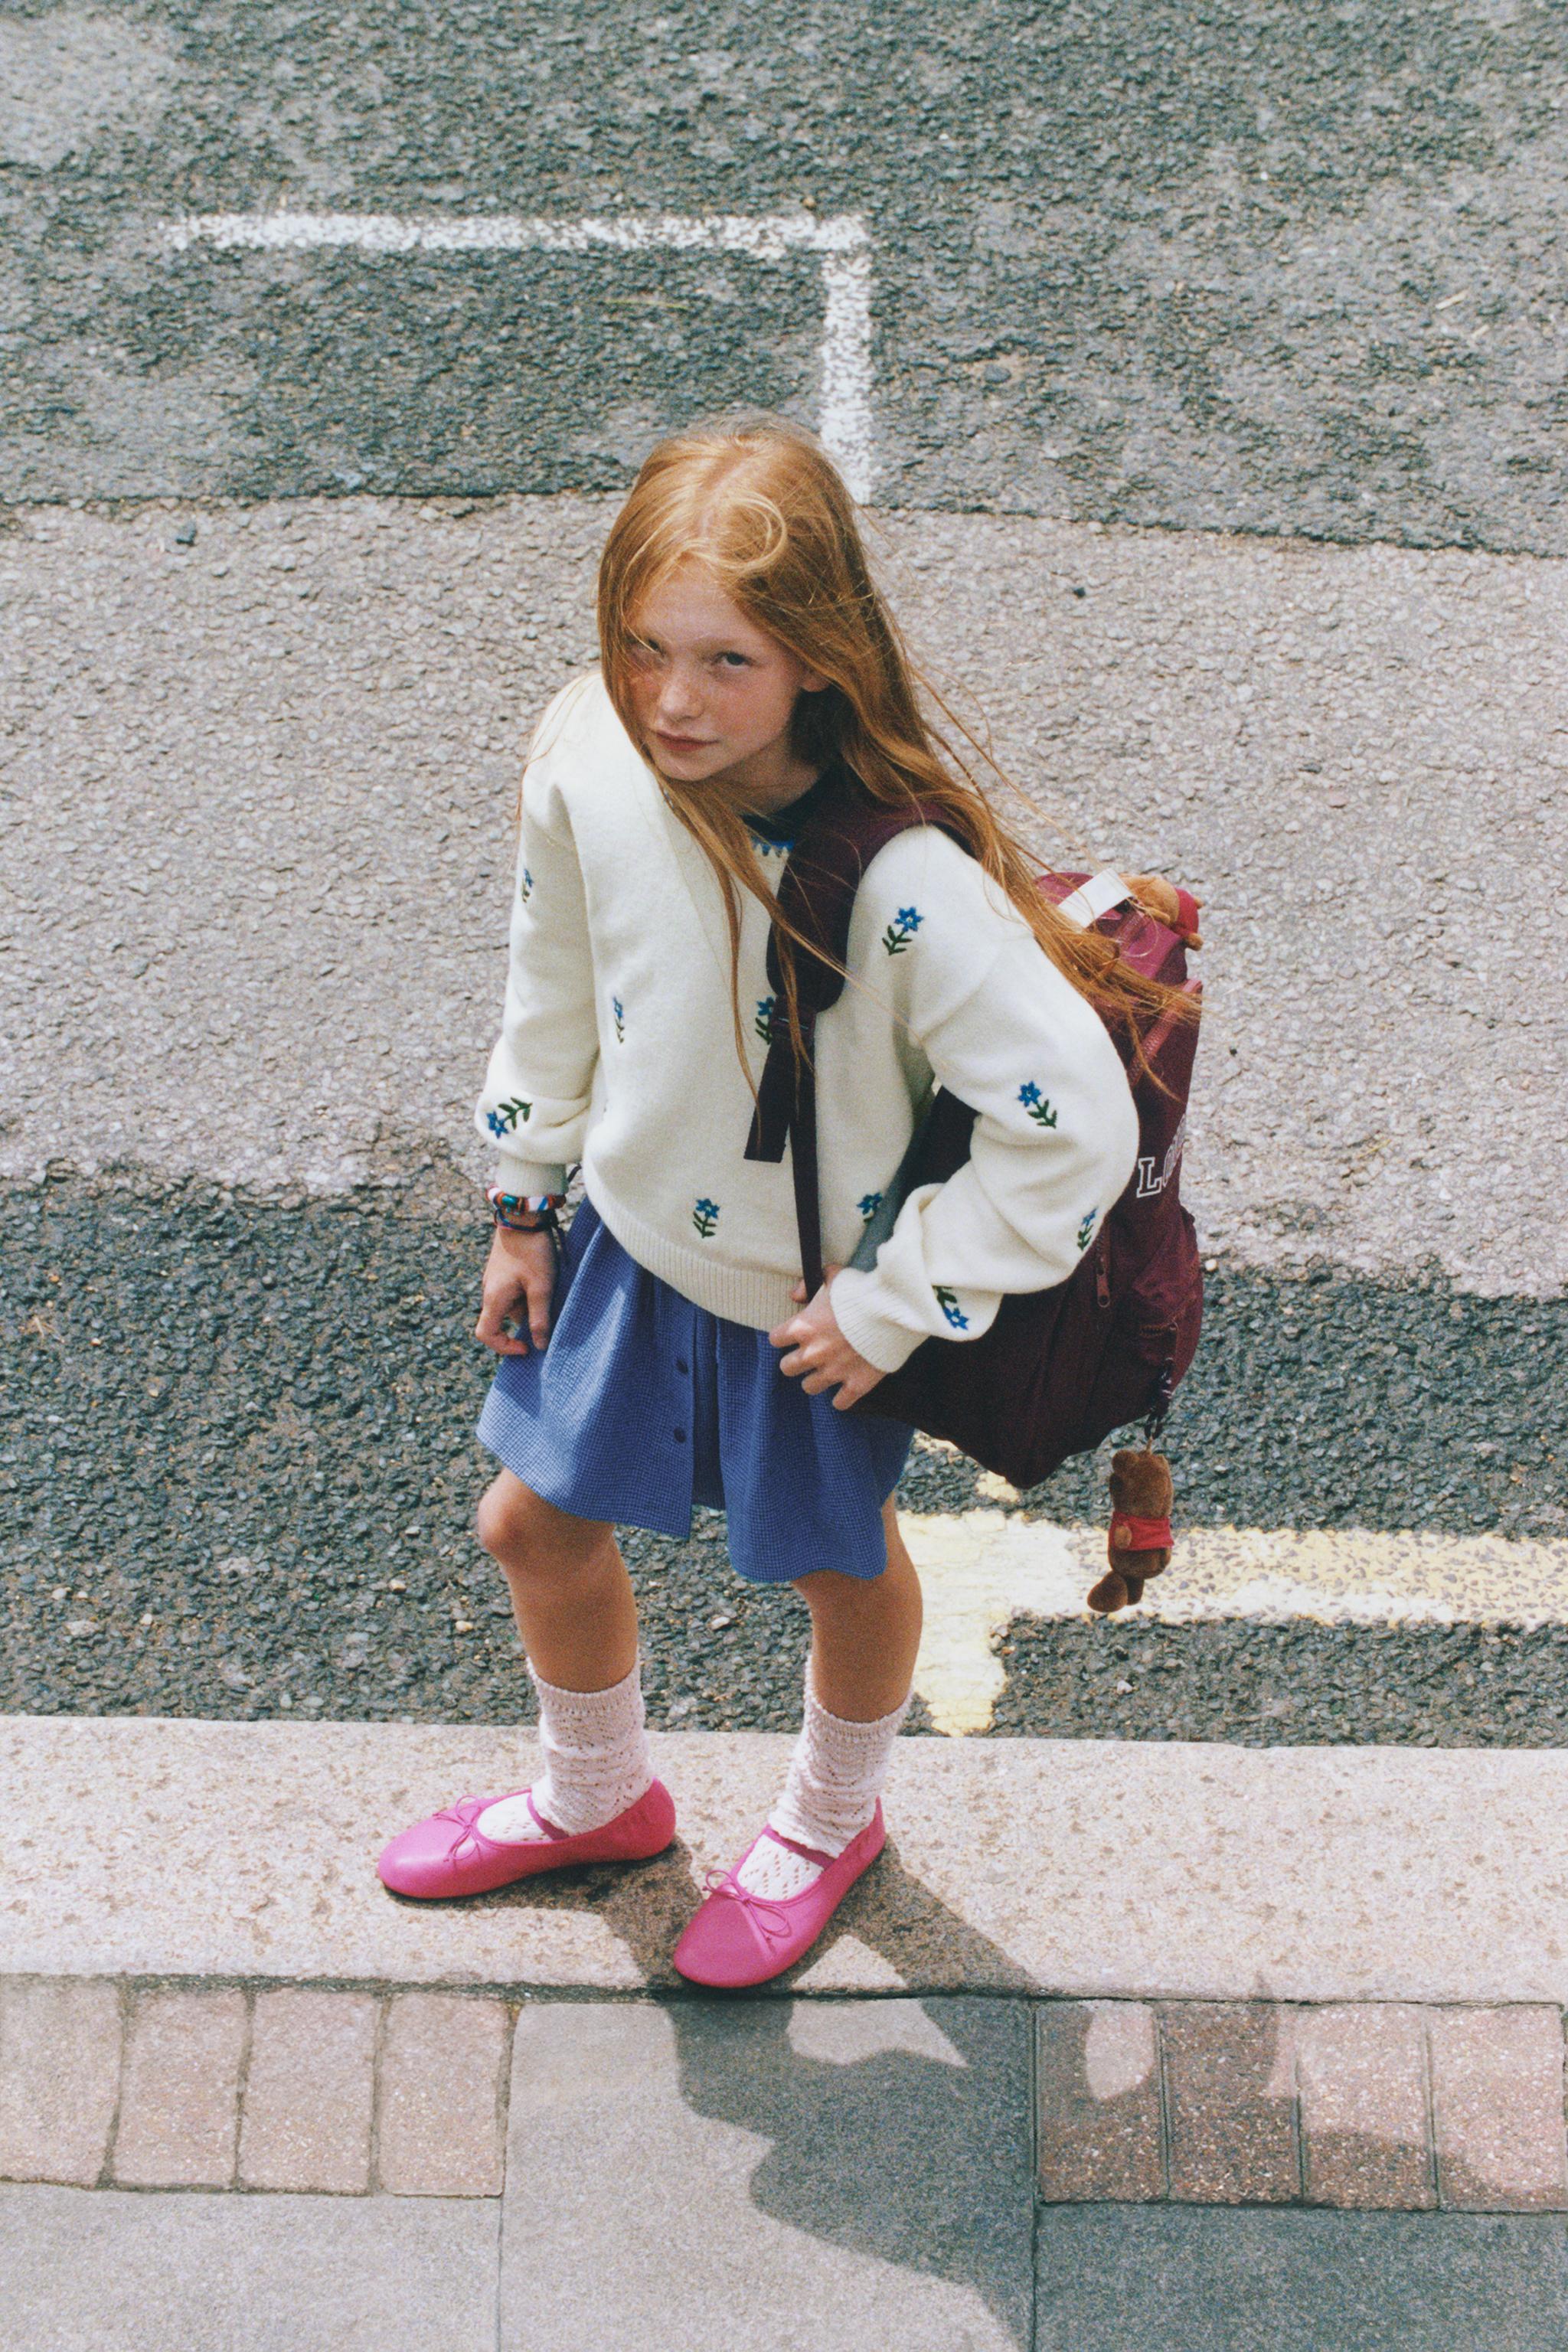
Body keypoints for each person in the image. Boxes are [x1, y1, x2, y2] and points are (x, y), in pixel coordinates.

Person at [377, 418, 1157, 1988]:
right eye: (642, 648)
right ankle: (596, 1797)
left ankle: (828, 1821)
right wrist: (523, 1196)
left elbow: (1068, 1121)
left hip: (809, 1304)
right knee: (530, 1527)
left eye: (727, 661)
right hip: (625, 1246)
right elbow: (554, 977)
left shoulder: (899, 884)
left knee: (839, 1567)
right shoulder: (585, 751)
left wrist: (899, 1299)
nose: (673, 701)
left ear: (818, 661)